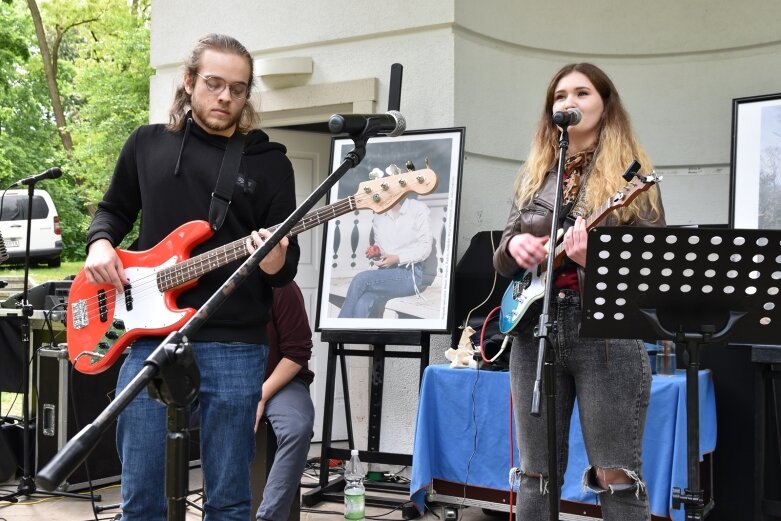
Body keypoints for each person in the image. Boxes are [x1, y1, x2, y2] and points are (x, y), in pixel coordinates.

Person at [82, 34, 300, 521]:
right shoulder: (147, 143)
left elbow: (286, 268)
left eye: (238, 89)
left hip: (236, 344)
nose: (225, 97)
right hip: (148, 337)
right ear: (189, 81)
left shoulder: (269, 164)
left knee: (228, 499)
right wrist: (99, 244)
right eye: (214, 84)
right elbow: (113, 211)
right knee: (141, 497)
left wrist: (271, 259)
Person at [492, 63, 665, 521]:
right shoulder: (536, 174)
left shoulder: (633, 178)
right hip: (535, 329)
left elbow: (650, 269)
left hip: (605, 336)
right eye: (561, 95)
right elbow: (502, 258)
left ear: (605, 106)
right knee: (534, 474)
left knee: (616, 474)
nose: (569, 102)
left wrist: (597, 261)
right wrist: (516, 245)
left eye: (582, 93)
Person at [254, 281, 315, 521]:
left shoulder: (282, 286)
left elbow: (297, 352)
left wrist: (260, 396)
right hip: (229, 383)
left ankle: (270, 516)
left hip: (282, 381)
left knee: (296, 428)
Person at [338, 167, 434, 318]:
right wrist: (376, 251)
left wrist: (398, 258)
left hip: (410, 275)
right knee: (363, 301)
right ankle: (353, 338)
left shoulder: (418, 209)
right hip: (385, 275)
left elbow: (425, 248)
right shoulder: (379, 215)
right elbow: (382, 249)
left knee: (360, 279)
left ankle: (338, 330)